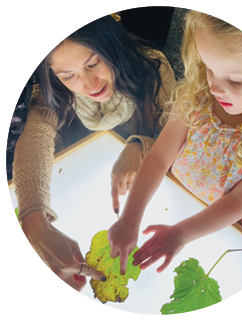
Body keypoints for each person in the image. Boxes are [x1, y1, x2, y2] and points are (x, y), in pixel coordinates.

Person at [107, 10, 242, 275]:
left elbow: (240, 199)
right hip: (175, 201)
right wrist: (129, 219)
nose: (214, 86)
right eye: (208, 68)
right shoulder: (197, 95)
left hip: (226, 230)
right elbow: (158, 158)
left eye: (235, 80)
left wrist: (181, 235)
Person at [13, 14, 175, 291]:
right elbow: (36, 136)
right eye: (69, 76)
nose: (89, 84)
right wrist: (34, 219)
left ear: (112, 46)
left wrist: (140, 146)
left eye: (93, 63)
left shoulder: (154, 68)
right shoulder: (54, 94)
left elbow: (180, 135)